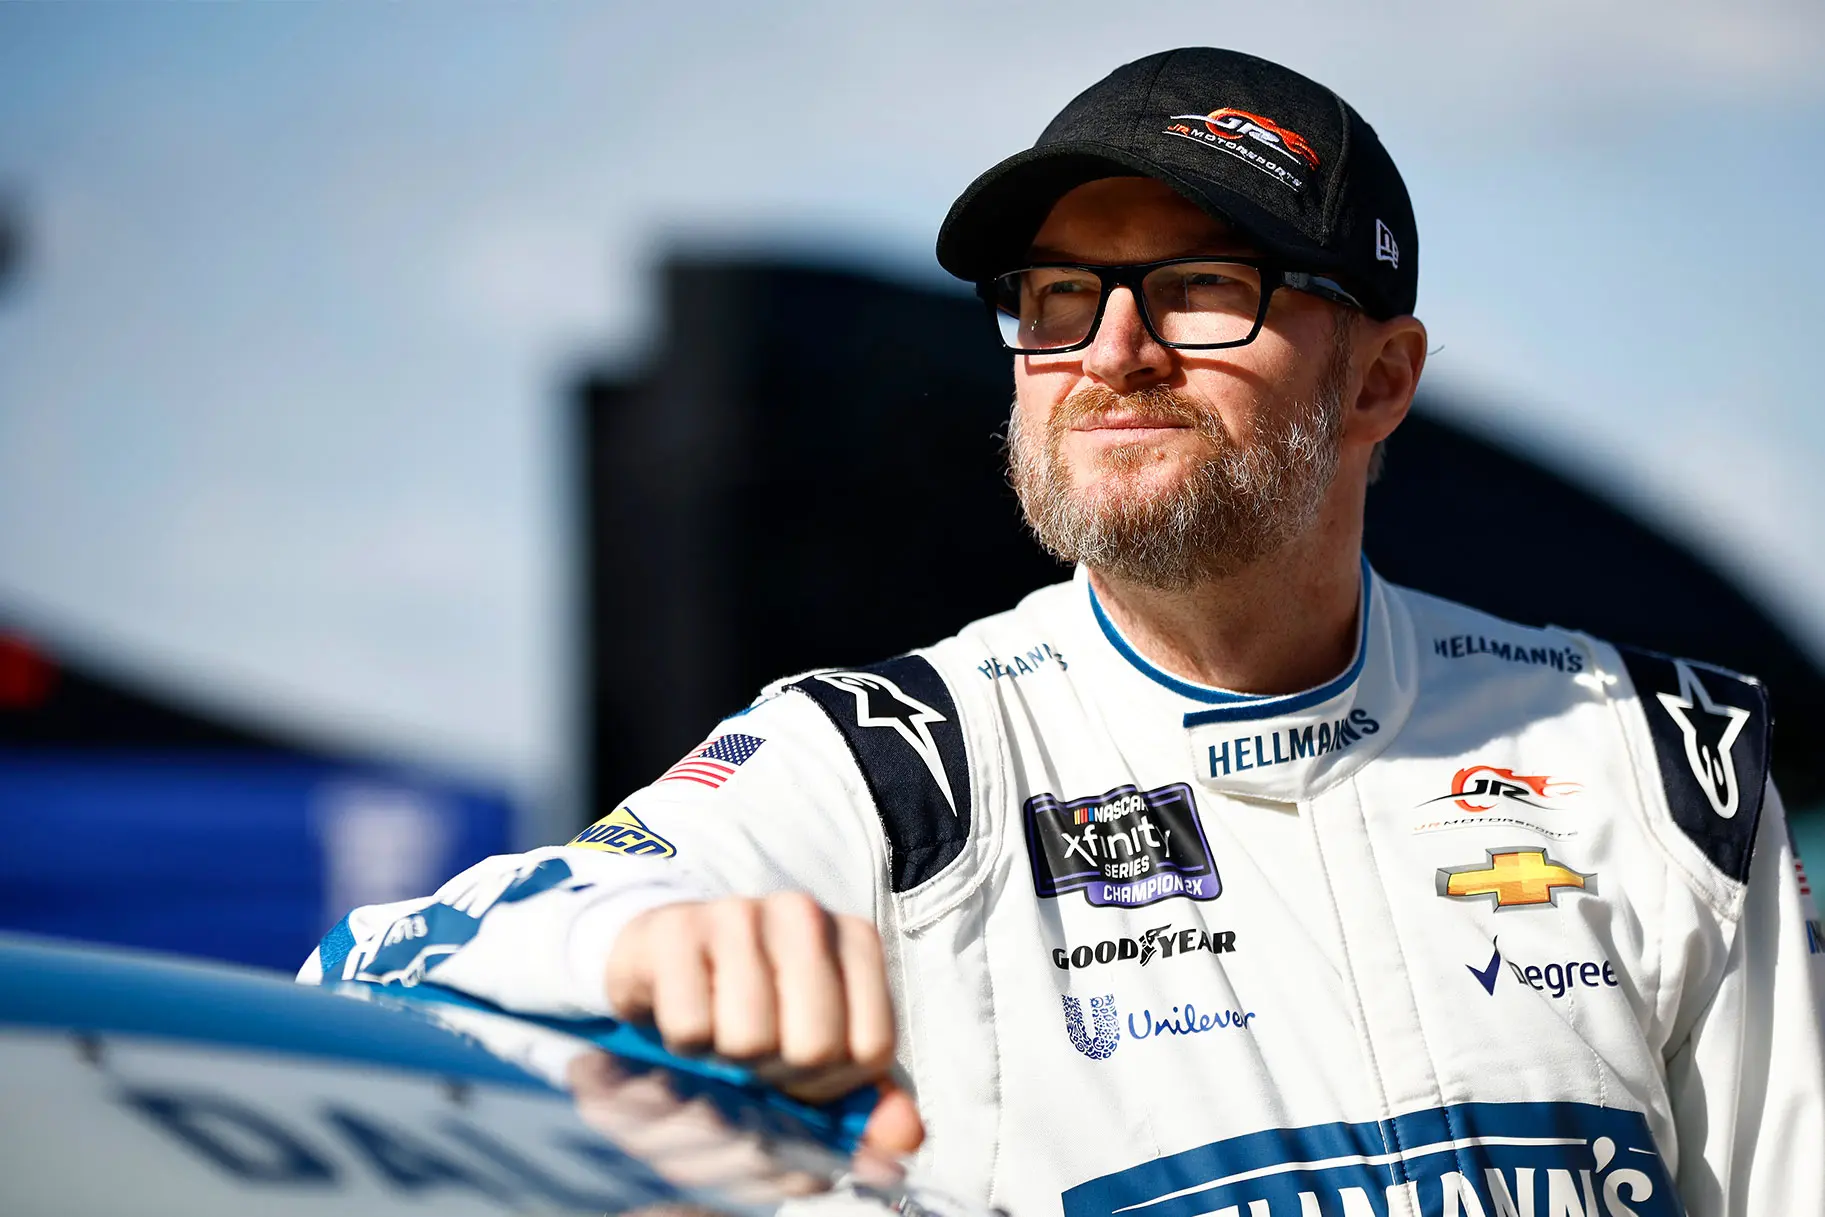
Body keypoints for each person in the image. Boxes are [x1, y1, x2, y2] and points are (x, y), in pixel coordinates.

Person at [301, 48, 1825, 1217]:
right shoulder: (894, 768)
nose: (1112, 349)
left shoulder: (1659, 760)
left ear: (1379, 379)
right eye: (1056, 295)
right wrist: (634, 943)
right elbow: (369, 980)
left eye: (1202, 288)